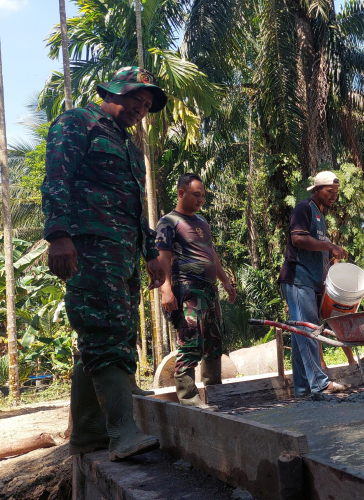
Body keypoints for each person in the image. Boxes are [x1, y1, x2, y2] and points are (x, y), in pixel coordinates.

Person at [42, 66, 168, 460]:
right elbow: (56, 179)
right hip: (89, 248)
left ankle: (87, 433)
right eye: (137, 99)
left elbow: (132, 206)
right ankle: (123, 433)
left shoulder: (129, 147)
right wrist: (59, 235)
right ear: (116, 90)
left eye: (147, 105)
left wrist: (149, 252)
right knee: (105, 330)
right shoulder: (78, 123)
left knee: (105, 336)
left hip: (124, 254)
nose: (141, 109)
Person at [156, 174, 237, 411]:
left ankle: (215, 391)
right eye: (196, 195)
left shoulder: (202, 222)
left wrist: (225, 282)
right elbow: (163, 257)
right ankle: (189, 399)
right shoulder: (168, 222)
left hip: (209, 290)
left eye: (203, 195)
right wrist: (166, 289)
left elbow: (211, 255)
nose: (201, 199)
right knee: (191, 341)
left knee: (213, 341)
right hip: (187, 289)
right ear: (181, 193)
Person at [278, 171, 348, 396]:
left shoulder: (320, 215)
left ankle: (302, 388)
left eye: (336, 193)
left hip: (311, 281)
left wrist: (330, 257)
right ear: (317, 189)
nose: (333, 196)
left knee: (302, 332)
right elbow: (298, 239)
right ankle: (319, 383)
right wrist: (329, 247)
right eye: (329, 192)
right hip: (298, 278)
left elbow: (316, 246)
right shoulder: (304, 208)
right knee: (307, 331)